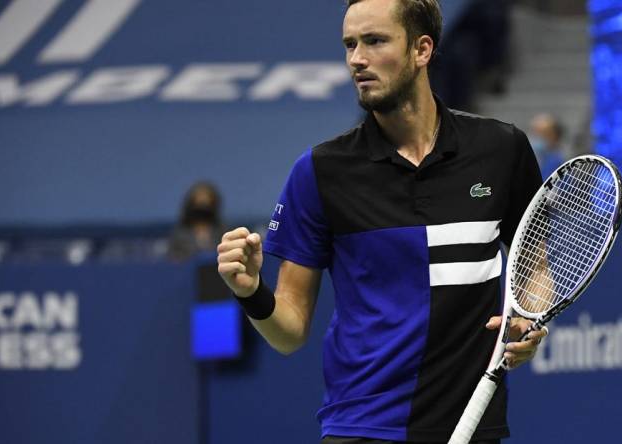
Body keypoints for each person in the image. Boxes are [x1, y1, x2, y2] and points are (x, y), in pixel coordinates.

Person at [217, 1, 547, 442]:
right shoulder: (320, 172)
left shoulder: (501, 150)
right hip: (363, 428)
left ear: (422, 49)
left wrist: (527, 320)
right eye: (350, 44)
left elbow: (537, 266)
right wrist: (250, 291)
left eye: (374, 41)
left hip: (473, 426)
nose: (357, 59)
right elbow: (289, 332)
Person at [167, 181, 224, 261]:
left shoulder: (223, 232)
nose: (202, 211)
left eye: (206, 207)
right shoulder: (179, 235)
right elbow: (172, 259)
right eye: (198, 207)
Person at [529, 113, 566, 179]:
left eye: (542, 133)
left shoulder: (561, 165)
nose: (537, 137)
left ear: (555, 136)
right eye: (535, 133)